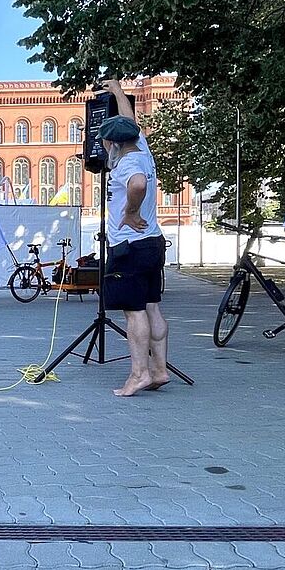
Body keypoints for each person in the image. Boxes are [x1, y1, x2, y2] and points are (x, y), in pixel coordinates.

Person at [97, 79, 171, 397]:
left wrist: (129, 210)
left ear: (113, 143)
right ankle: (160, 370)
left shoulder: (127, 164)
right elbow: (131, 122)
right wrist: (117, 91)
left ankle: (138, 374)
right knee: (152, 307)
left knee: (134, 311)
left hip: (129, 246)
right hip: (152, 244)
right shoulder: (142, 150)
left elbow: (138, 185)